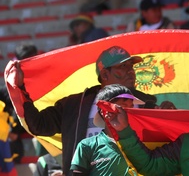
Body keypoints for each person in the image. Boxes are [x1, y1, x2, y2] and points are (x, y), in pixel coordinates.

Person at [8, 45, 158, 176]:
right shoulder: (74, 105)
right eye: (123, 67)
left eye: (131, 67)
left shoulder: (148, 104)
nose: (131, 72)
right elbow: (39, 125)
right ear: (105, 75)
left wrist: (168, 114)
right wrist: (21, 88)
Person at [70, 84, 145, 175]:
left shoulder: (142, 142)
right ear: (104, 110)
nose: (129, 111)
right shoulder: (87, 146)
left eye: (131, 106)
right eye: (123, 107)